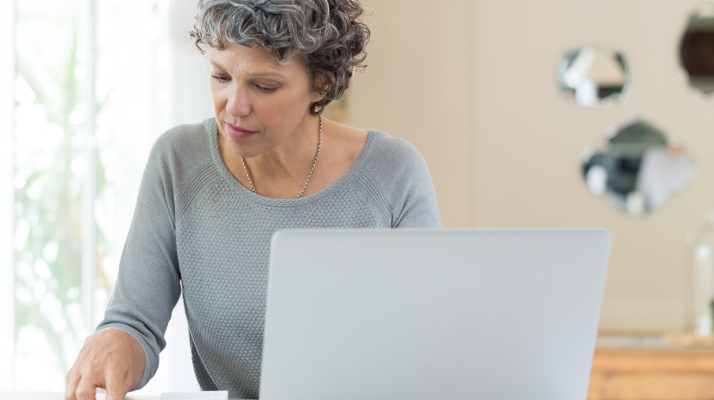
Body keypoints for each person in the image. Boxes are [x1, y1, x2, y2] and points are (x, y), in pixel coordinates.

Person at [64, 1, 441, 399]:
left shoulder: (393, 173)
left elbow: (429, 343)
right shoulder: (178, 161)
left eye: (264, 86)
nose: (235, 106)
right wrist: (114, 340)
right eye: (221, 76)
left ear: (322, 84)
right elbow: (134, 322)